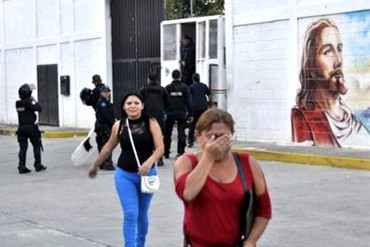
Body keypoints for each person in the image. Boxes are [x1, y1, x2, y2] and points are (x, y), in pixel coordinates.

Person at [174, 108, 272, 246]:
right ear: (198, 136)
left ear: (232, 136)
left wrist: (251, 241)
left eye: (223, 137)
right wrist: (208, 157)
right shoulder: (187, 162)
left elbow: (264, 209)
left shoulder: (246, 162)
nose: (217, 143)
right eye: (211, 136)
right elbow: (187, 194)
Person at [88, 92, 164, 247]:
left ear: (142, 105)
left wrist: (149, 162)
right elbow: (109, 146)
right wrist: (95, 164)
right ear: (123, 106)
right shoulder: (119, 125)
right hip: (124, 175)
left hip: (147, 176)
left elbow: (160, 148)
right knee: (130, 214)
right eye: (129, 103)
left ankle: (140, 243)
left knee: (142, 214)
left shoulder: (151, 123)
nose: (133, 106)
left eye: (136, 103)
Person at [291, 18, 370, 147]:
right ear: (312, 65)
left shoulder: (350, 119)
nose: (338, 61)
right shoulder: (303, 116)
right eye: (328, 51)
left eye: (339, 49)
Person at [15, 84, 47, 174]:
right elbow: (39, 108)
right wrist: (34, 100)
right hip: (30, 127)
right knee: (36, 145)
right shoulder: (29, 102)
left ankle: (22, 166)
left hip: (21, 128)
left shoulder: (17, 104)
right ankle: (38, 165)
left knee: (23, 148)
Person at [140, 72, 169, 166]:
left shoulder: (144, 90)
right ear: (157, 80)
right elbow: (167, 102)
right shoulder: (163, 90)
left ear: (148, 79)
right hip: (159, 115)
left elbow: (140, 103)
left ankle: (148, 157)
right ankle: (160, 158)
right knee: (159, 136)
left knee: (147, 136)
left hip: (147, 116)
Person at [164, 69, 193, 159]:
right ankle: (180, 152)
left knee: (167, 133)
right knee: (181, 133)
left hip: (170, 113)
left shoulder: (168, 88)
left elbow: (164, 101)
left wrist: (165, 111)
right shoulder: (184, 87)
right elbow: (189, 101)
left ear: (172, 76)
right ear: (180, 76)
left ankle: (166, 151)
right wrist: (190, 114)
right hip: (181, 113)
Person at [187, 73, 211, 148]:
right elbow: (210, 95)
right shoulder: (204, 86)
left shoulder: (191, 87)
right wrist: (211, 104)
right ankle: (207, 140)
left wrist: (188, 109)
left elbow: (188, 98)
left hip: (194, 108)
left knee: (192, 125)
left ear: (193, 79)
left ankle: (190, 141)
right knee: (204, 125)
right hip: (203, 108)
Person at [95, 85, 116, 170]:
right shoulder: (102, 103)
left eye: (108, 92)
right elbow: (106, 115)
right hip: (104, 127)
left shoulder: (105, 102)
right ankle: (107, 163)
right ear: (102, 93)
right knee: (107, 145)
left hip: (103, 126)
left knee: (103, 145)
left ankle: (103, 163)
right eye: (106, 92)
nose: (107, 94)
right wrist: (113, 122)